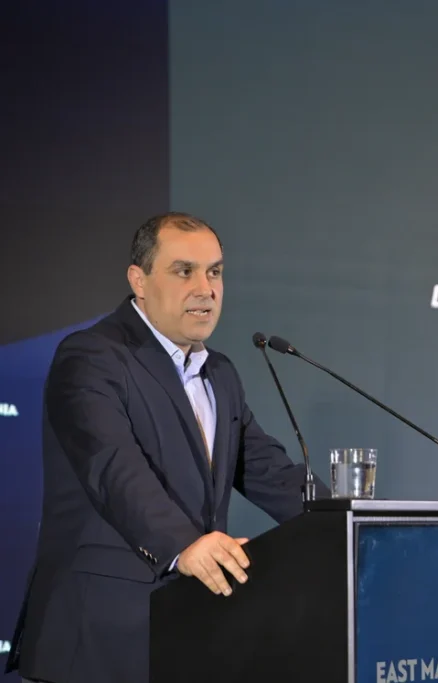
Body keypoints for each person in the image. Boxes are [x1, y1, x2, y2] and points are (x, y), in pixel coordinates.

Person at [5, 212, 326, 683]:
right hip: (98, 641)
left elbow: (268, 471)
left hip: (185, 633)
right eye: (184, 271)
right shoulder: (92, 356)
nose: (205, 289)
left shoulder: (220, 373)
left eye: (214, 272)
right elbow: (113, 469)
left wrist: (347, 523)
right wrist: (185, 545)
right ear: (139, 280)